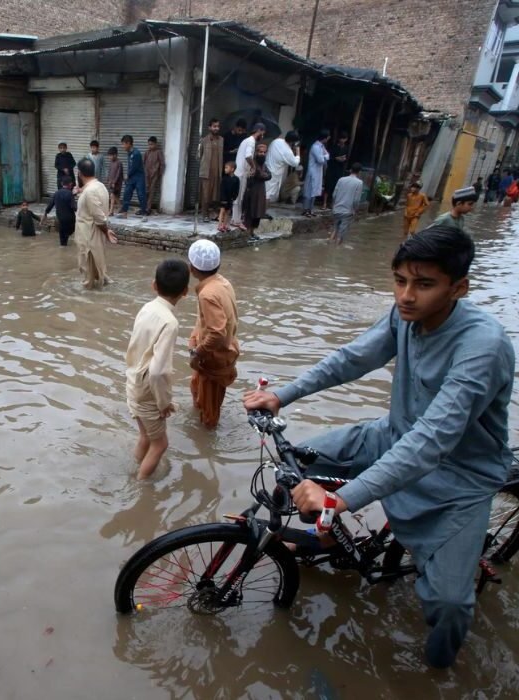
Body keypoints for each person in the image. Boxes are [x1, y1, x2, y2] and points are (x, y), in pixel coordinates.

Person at [243, 226, 514, 669]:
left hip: (458, 474)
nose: (406, 295)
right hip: (392, 434)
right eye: (400, 280)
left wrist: (340, 498)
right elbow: (353, 358)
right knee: (295, 469)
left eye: (424, 284)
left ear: (458, 288)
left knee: (448, 605)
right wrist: (283, 394)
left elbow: (432, 441)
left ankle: (438, 671)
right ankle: (322, 542)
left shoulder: (481, 347)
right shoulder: (403, 316)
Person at [126, 258, 190, 480]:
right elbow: (159, 371)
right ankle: (141, 486)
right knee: (160, 444)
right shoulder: (170, 322)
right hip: (148, 391)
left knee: (146, 436)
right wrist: (164, 404)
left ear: (154, 285)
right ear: (186, 291)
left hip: (133, 380)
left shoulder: (147, 307)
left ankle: (136, 467)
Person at [187, 239, 239, 429]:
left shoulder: (207, 294)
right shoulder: (222, 282)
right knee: (196, 392)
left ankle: (205, 441)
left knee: (209, 414)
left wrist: (197, 353)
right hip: (213, 351)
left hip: (213, 356)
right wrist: (194, 341)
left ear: (192, 268)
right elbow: (207, 322)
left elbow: (217, 333)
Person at [74, 158, 116, 289]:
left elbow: (99, 217)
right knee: (98, 270)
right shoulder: (100, 186)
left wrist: (106, 231)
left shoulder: (89, 192)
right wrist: (106, 231)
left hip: (89, 238)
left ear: (79, 173)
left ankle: (89, 304)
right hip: (94, 236)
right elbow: (100, 215)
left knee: (89, 279)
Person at [232, 122, 265, 227]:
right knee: (239, 197)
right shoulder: (251, 141)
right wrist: (254, 167)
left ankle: (235, 219)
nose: (263, 136)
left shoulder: (247, 140)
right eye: (263, 133)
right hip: (241, 173)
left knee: (238, 197)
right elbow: (248, 156)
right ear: (259, 130)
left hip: (240, 172)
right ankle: (236, 221)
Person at [242, 142, 272, 240]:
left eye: (264, 152)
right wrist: (263, 174)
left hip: (261, 192)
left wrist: (263, 174)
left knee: (258, 214)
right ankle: (247, 234)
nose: (262, 154)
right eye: (260, 152)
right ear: (256, 152)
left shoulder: (264, 165)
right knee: (250, 213)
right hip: (252, 192)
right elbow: (259, 175)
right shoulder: (253, 163)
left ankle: (252, 233)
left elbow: (269, 175)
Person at [329, 162, 363, 245]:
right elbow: (356, 200)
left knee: (335, 229)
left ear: (350, 170)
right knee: (341, 234)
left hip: (337, 209)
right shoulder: (359, 183)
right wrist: (355, 210)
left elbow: (334, 195)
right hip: (347, 211)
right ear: (359, 172)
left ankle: (329, 246)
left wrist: (334, 206)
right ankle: (335, 252)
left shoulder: (341, 179)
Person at [198, 118, 224, 223]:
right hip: (206, 172)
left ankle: (214, 214)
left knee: (216, 194)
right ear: (209, 127)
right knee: (205, 195)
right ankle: (205, 214)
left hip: (217, 172)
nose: (216, 128)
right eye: (214, 126)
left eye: (218, 126)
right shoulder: (203, 140)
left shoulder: (221, 140)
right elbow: (199, 156)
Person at [265, 130, 301, 203]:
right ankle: (262, 213)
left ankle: (261, 212)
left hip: (266, 170)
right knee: (268, 196)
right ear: (292, 142)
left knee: (265, 193)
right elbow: (295, 163)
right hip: (274, 175)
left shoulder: (277, 141)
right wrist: (297, 152)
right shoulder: (288, 151)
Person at [302, 129, 330, 217]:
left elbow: (328, 155)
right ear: (325, 138)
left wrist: (325, 156)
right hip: (313, 172)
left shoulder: (321, 146)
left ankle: (311, 209)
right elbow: (321, 160)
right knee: (309, 190)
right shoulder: (315, 147)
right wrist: (325, 156)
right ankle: (306, 209)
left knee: (315, 191)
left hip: (318, 172)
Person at [42, 176, 77, 246]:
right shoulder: (70, 194)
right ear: (70, 184)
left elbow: (50, 205)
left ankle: (63, 249)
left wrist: (45, 213)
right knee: (69, 232)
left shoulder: (56, 193)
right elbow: (74, 207)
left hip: (60, 219)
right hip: (70, 220)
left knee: (62, 240)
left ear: (61, 183)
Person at [120, 135, 148, 218]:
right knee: (127, 193)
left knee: (141, 194)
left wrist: (127, 175)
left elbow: (134, 167)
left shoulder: (136, 153)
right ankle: (124, 212)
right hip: (131, 177)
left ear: (128, 143)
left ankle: (144, 212)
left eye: (123, 144)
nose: (123, 146)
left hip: (139, 177)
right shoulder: (130, 153)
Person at [323, 132, 350, 209]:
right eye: (341, 138)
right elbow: (328, 158)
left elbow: (347, 158)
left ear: (346, 139)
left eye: (344, 139)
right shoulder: (333, 147)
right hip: (331, 168)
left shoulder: (346, 148)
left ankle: (332, 202)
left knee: (336, 186)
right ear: (339, 139)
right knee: (328, 185)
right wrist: (335, 158)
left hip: (340, 169)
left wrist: (344, 159)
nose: (342, 140)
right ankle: (324, 203)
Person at [143, 136, 165, 215]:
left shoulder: (158, 152)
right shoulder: (147, 152)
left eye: (152, 144)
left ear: (155, 144)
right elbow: (144, 162)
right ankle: (143, 207)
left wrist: (159, 173)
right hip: (147, 174)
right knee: (146, 191)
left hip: (154, 175)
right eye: (149, 144)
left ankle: (148, 209)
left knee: (152, 192)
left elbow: (162, 163)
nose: (150, 146)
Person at [218, 161, 240, 233]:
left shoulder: (236, 179)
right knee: (222, 211)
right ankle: (220, 225)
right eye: (225, 168)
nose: (225, 169)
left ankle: (225, 225)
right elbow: (222, 189)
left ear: (232, 169)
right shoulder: (224, 179)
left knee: (228, 212)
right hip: (224, 198)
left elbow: (237, 189)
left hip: (230, 198)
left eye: (226, 168)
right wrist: (223, 198)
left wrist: (234, 197)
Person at [106, 146, 123, 217]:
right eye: (109, 156)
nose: (109, 157)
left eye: (110, 155)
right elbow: (109, 171)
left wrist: (114, 182)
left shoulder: (119, 163)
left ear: (115, 155)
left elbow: (118, 174)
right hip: (111, 182)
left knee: (113, 196)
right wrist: (108, 179)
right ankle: (116, 209)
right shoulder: (111, 163)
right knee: (113, 197)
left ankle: (112, 210)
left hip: (117, 183)